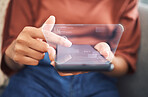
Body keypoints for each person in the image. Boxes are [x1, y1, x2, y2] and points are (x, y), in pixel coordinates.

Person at [1, 0, 140, 97]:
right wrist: (15, 52)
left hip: (98, 78)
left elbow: (125, 62)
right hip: (38, 74)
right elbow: (11, 60)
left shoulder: (125, 2)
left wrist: (105, 59)